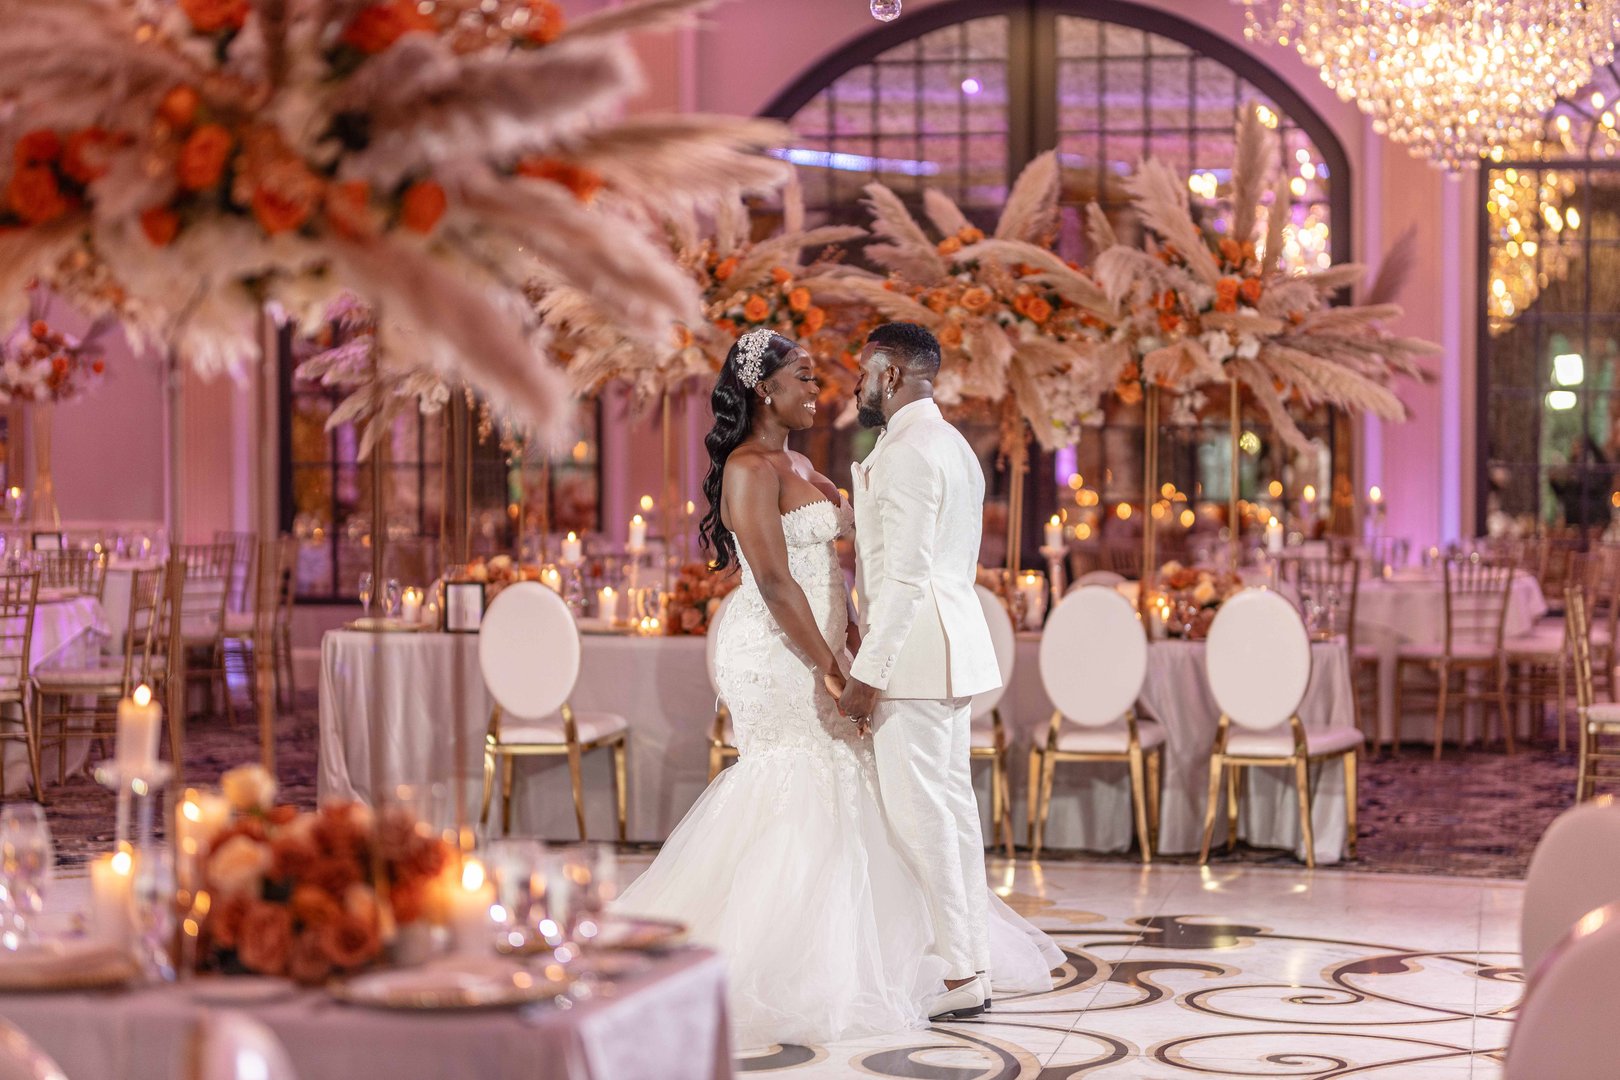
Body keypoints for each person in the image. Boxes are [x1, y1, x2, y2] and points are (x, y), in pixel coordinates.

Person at [615, 328, 1059, 1049]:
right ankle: (916, 961)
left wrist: (854, 646)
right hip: (783, 648)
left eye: (837, 377)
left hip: (865, 649)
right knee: (816, 784)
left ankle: (944, 963)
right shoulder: (756, 467)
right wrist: (833, 660)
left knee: (901, 802)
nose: (828, 391)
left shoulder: (863, 456)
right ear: (765, 388)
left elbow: (884, 573)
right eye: (807, 379)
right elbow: (775, 579)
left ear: (889, 375)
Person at [839, 321, 1005, 1020]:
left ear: (893, 375)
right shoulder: (948, 442)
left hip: (913, 657)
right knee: (948, 811)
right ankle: (969, 960)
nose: (854, 385)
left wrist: (864, 677)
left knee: (923, 816)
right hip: (942, 650)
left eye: (863, 372)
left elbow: (905, 581)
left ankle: (963, 972)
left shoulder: (909, 452)